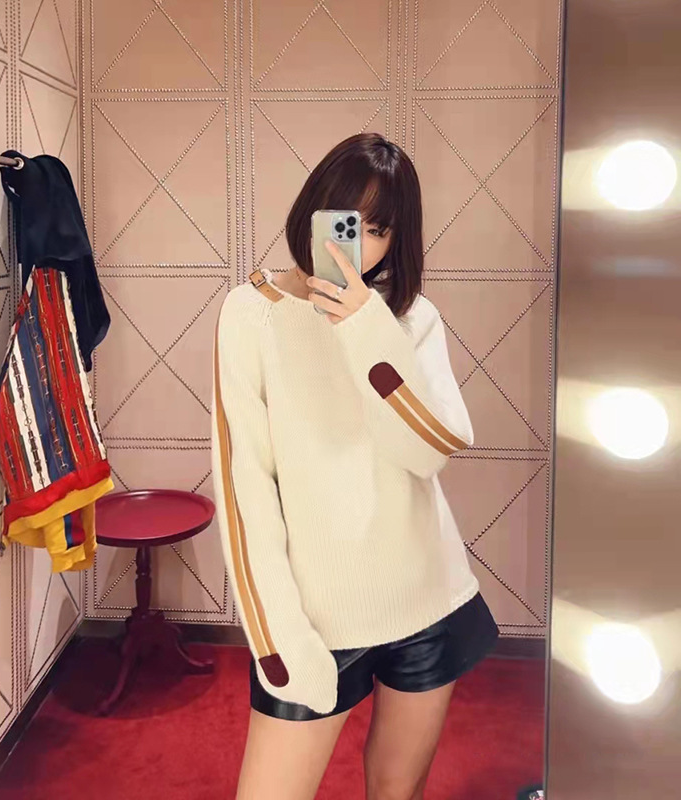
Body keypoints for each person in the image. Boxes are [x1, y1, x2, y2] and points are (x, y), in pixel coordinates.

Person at [210, 132, 499, 800]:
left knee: (398, 792)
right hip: (315, 618)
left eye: (378, 230)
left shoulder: (409, 319)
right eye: (345, 220)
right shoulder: (251, 313)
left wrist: (366, 328)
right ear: (313, 212)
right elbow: (244, 485)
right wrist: (279, 636)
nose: (356, 244)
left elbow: (432, 449)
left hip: (426, 599)